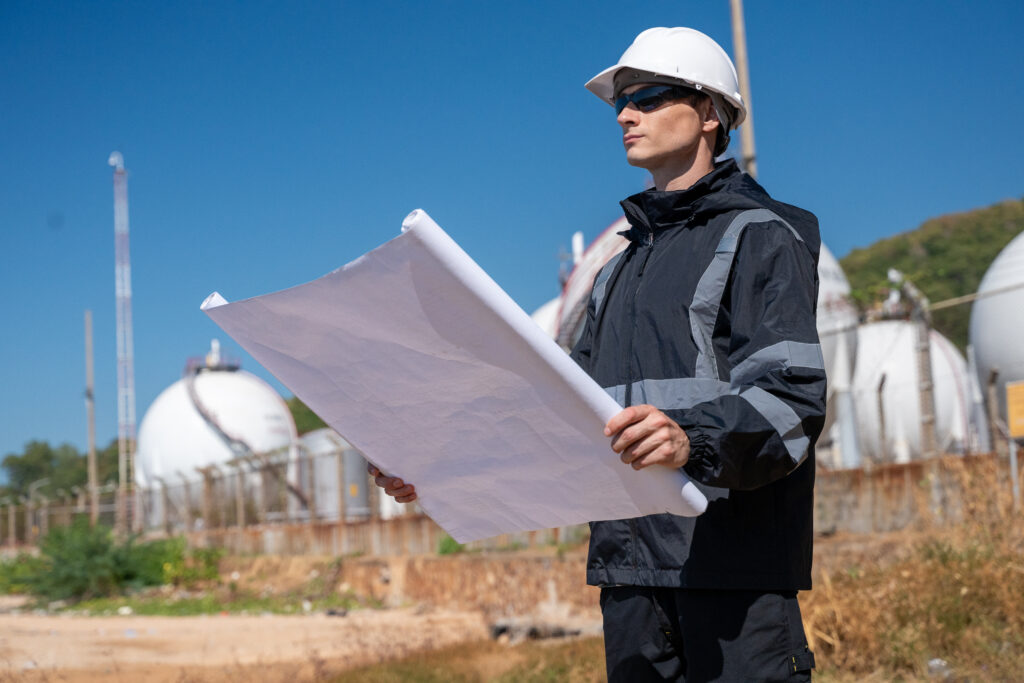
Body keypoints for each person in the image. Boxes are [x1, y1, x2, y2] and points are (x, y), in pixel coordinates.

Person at [371, 26, 826, 682]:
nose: (625, 114)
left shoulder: (761, 235)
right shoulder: (619, 267)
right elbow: (561, 414)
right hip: (631, 568)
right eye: (622, 101)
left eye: (647, 96)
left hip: (732, 568)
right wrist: (437, 468)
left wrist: (688, 440)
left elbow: (790, 403)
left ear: (708, 114)